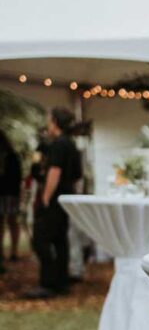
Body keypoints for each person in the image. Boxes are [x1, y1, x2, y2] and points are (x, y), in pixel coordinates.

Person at [25, 107, 82, 299]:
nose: (48, 124)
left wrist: (46, 197)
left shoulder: (58, 144)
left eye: (49, 121)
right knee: (60, 240)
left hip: (55, 197)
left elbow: (54, 172)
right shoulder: (71, 144)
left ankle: (47, 283)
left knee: (41, 240)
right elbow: (76, 174)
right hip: (66, 197)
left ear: (56, 122)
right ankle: (61, 282)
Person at [0, 130, 22, 273]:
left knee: (12, 221)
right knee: (2, 222)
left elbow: (17, 176)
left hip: (10, 194)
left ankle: (14, 251)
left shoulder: (12, 157)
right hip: (4, 193)